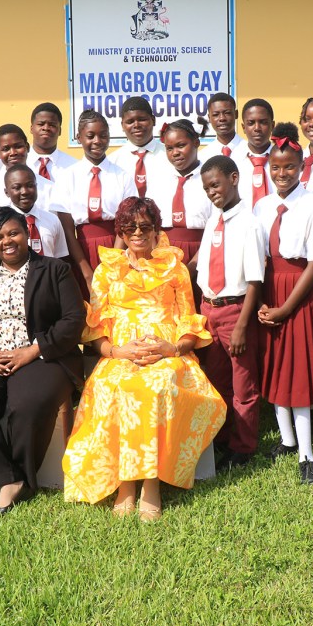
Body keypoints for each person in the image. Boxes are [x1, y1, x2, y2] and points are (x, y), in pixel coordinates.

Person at [63, 197, 226, 521]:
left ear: (155, 230)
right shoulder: (107, 270)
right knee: (113, 385)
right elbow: (97, 325)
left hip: (166, 349)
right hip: (121, 350)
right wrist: (116, 352)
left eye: (145, 226)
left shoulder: (175, 268)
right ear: (120, 230)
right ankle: (125, 483)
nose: (137, 232)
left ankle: (150, 483)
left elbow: (188, 318)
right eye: (129, 226)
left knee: (157, 386)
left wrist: (174, 349)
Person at [0, 207, 85, 514]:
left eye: (13, 233)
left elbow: (74, 319)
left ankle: (19, 479)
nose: (7, 241)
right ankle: (6, 477)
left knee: (28, 403)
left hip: (41, 356)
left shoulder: (54, 270)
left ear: (27, 234)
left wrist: (33, 350)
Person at [253, 124, 313, 484]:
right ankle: (286, 440)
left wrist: (286, 307)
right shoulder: (262, 206)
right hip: (271, 287)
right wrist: (262, 300)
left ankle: (306, 452)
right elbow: (257, 257)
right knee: (275, 366)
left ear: (302, 167)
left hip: (299, 291)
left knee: (298, 371)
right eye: (275, 168)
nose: (281, 174)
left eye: (288, 167)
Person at [197, 155, 266, 469]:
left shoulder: (249, 223)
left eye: (216, 184)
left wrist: (241, 325)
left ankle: (244, 446)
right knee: (215, 379)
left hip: (235, 311)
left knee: (243, 384)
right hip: (208, 310)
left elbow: (254, 280)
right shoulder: (215, 217)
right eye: (207, 187)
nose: (212, 191)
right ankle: (221, 438)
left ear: (234, 178)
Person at [50, 109, 136, 299]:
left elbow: (126, 223)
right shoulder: (67, 176)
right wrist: (86, 271)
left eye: (103, 135)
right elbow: (66, 229)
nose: (97, 141)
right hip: (81, 251)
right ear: (78, 137)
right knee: (87, 307)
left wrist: (114, 262)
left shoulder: (122, 176)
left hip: (117, 247)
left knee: (117, 304)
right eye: (90, 136)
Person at [147, 119, 213, 266]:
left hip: (202, 255)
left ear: (196, 143)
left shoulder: (211, 180)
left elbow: (216, 229)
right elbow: (149, 226)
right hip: (162, 257)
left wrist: (192, 267)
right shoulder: (158, 181)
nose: (175, 153)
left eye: (181, 145)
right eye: (169, 148)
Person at [0, 124, 52, 212]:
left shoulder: (49, 188)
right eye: (6, 149)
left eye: (18, 146)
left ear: (27, 147)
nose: (13, 153)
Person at [3, 164, 70, 259]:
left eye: (30, 185)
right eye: (17, 188)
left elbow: (61, 257)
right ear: (6, 192)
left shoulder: (52, 220)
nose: (25, 192)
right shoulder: (2, 223)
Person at [107, 96, 167, 198]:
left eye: (142, 119)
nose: (136, 125)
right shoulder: (112, 162)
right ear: (122, 125)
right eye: (130, 122)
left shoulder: (169, 155)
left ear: (153, 120)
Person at [236, 98, 276, 207]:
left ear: (272, 125)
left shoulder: (284, 160)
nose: (257, 128)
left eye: (263, 122)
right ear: (243, 127)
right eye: (251, 123)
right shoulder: (234, 161)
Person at [28, 102, 77, 182]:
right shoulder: (17, 162)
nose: (46, 128)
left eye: (52, 125)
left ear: (60, 131)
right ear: (31, 128)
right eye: (41, 124)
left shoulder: (73, 166)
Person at [197, 92, 247, 162]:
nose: (222, 118)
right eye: (215, 114)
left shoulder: (251, 151)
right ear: (209, 118)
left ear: (236, 114)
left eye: (227, 113)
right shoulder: (202, 157)